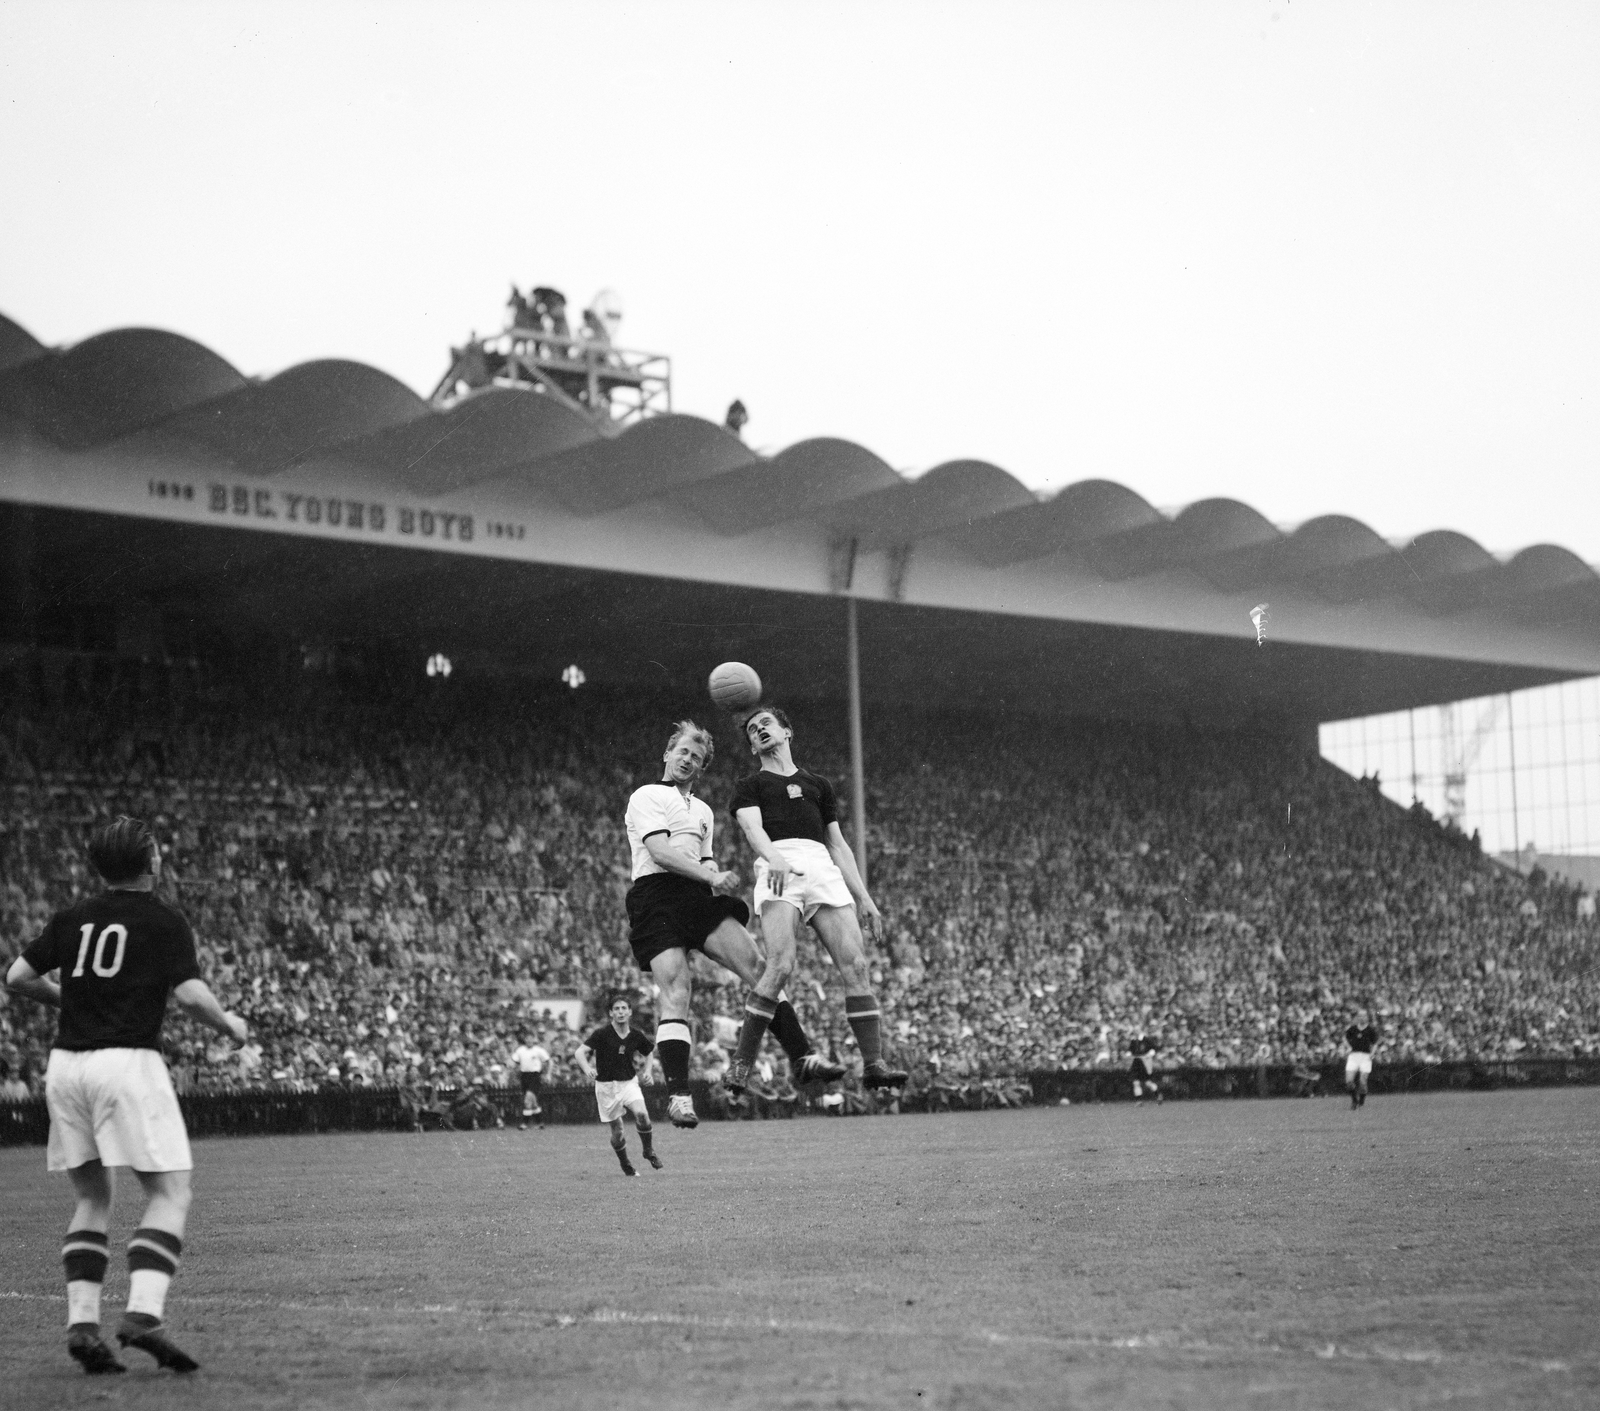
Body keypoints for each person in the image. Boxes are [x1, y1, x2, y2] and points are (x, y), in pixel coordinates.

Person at [5, 815, 249, 1377]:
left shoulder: (72, 919)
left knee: (92, 1198)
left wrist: (66, 999)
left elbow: (16, 976)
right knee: (170, 1192)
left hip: (67, 1066)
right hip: (127, 1062)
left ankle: (84, 1326)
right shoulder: (163, 920)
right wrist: (230, 1027)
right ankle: (142, 1314)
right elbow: (189, 995)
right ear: (149, 863)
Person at [622, 720, 842, 1129]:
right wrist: (710, 876)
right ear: (667, 754)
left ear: (701, 768)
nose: (688, 760)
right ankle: (679, 1098)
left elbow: (703, 860)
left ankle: (802, 1057)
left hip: (695, 896)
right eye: (683, 752)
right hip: (654, 897)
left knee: (760, 967)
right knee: (677, 989)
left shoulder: (703, 811)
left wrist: (713, 872)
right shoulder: (647, 795)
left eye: (697, 758)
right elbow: (659, 851)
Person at [725, 706, 908, 1093]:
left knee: (856, 964)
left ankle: (874, 1065)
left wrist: (864, 898)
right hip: (778, 863)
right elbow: (752, 829)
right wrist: (774, 858)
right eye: (753, 730)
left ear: (787, 732)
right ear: (753, 747)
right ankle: (741, 1064)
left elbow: (838, 845)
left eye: (766, 724)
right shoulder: (750, 785)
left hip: (821, 865)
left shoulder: (818, 784)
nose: (758, 730)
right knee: (780, 965)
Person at [574, 994, 662, 1177]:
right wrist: (587, 1069)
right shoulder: (602, 1034)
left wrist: (648, 1072)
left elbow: (649, 1052)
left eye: (624, 1008)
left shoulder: (636, 1035)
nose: (620, 1012)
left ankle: (648, 1150)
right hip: (606, 1087)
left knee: (642, 1115)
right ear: (611, 1013)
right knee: (618, 1132)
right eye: (616, 1009)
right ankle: (625, 1163)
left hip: (628, 1083)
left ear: (629, 1012)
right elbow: (580, 1052)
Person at [509, 1031, 551, 1129]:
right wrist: (513, 1073)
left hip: (535, 1076)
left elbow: (548, 1061)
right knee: (533, 1101)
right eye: (527, 1038)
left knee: (528, 1098)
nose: (529, 1040)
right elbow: (515, 1062)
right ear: (524, 1040)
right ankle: (540, 1122)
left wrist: (547, 1074)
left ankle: (524, 1123)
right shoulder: (520, 1050)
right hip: (524, 1076)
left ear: (534, 1039)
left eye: (531, 1038)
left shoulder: (538, 1050)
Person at [1344, 1009, 1379, 1108]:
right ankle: (1355, 1100)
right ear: (1357, 1017)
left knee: (1363, 1082)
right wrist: (1348, 1047)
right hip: (1353, 1056)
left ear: (1367, 1017)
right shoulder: (1352, 1029)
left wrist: (1372, 1053)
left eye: (1364, 1016)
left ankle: (1362, 1100)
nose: (1362, 1017)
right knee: (1349, 1081)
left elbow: (1375, 1043)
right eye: (1360, 1016)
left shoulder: (1371, 1030)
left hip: (1365, 1057)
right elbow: (1345, 1038)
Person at [1129, 1033, 1162, 1103]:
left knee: (1148, 1083)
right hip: (1136, 1063)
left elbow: (1154, 1048)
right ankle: (1139, 1100)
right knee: (1136, 1082)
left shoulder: (1146, 1040)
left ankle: (1158, 1095)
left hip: (1144, 1063)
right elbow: (1130, 1051)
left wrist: (1149, 1055)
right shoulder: (1133, 1041)